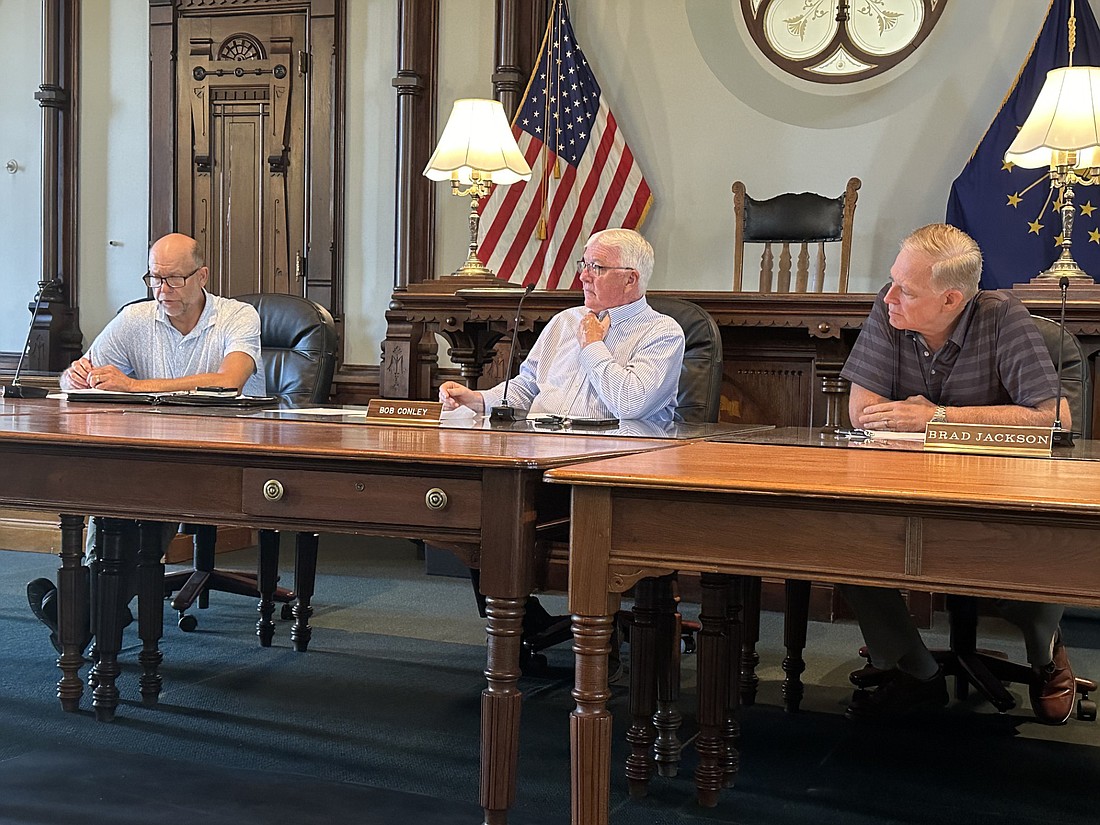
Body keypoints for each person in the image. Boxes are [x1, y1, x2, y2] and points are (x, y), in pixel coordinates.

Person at [838, 223, 1075, 724]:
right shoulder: (891, 309)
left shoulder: (1000, 316)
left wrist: (939, 418)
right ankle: (912, 669)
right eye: (893, 282)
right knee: (843, 540)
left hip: (998, 490)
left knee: (1046, 542)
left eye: (907, 289)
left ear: (951, 299)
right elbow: (863, 412)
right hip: (907, 483)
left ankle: (1044, 652)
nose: (890, 298)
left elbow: (1055, 418)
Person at [438, 228, 686, 657]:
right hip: (540, 461)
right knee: (480, 508)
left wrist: (593, 346)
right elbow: (525, 390)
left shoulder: (662, 334)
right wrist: (477, 399)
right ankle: (529, 624)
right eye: (584, 265)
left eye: (597, 267)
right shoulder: (562, 323)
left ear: (631, 279)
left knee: (510, 513)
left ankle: (589, 635)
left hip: (611, 473)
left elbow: (630, 401)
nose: (584, 276)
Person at [28, 232, 265, 652]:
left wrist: (135, 385)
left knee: (147, 505)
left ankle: (80, 611)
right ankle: (98, 609)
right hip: (151, 449)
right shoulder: (136, 318)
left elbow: (229, 382)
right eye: (154, 279)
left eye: (174, 279)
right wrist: (76, 377)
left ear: (202, 276)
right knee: (112, 498)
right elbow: (78, 375)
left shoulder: (238, 316)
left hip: (225, 455)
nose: (162, 290)